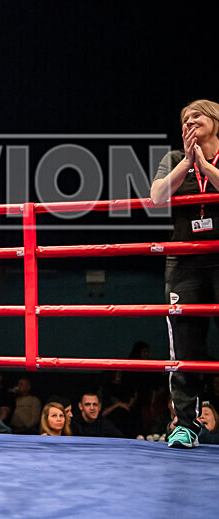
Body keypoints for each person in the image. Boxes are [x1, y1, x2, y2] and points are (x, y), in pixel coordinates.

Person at [150, 99, 219, 449]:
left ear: (216, 122)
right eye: (185, 119)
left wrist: (206, 167)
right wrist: (189, 164)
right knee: (186, 347)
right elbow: (156, 197)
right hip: (185, 264)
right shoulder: (175, 159)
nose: (190, 122)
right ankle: (186, 424)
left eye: (198, 116)